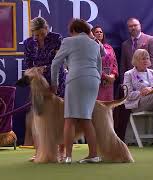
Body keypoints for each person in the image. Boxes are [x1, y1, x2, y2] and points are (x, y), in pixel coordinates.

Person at [51, 19, 102, 163]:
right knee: (86, 118)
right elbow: (99, 65)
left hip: (76, 80)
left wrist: (54, 83)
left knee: (70, 119)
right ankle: (94, 155)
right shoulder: (95, 44)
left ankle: (68, 156)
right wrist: (96, 80)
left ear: (73, 30)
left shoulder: (68, 41)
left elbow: (55, 63)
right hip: (93, 80)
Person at [23, 17, 66, 147]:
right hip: (38, 84)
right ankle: (40, 150)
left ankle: (61, 150)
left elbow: (61, 60)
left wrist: (45, 68)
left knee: (59, 116)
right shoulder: (28, 43)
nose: (39, 37)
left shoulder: (57, 38)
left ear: (47, 29)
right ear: (32, 33)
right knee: (38, 117)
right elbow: (28, 64)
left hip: (57, 80)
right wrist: (34, 70)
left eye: (42, 33)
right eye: (36, 35)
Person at [92, 26, 118, 101]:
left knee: (109, 105)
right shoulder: (91, 48)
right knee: (98, 106)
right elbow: (92, 65)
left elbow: (115, 64)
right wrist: (105, 76)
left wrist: (113, 75)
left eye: (101, 32)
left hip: (109, 82)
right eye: (97, 32)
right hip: (97, 81)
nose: (99, 33)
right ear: (92, 34)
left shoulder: (109, 47)